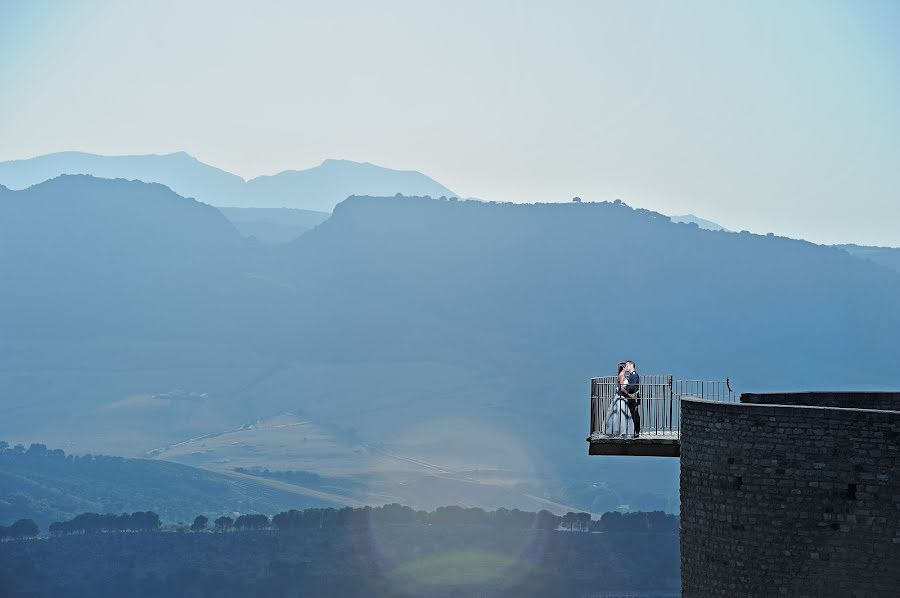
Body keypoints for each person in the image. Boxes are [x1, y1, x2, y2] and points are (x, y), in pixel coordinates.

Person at [605, 362, 634, 437]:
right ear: (623, 368)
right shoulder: (621, 376)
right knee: (621, 414)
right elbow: (621, 388)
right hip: (621, 397)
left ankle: (622, 431)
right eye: (626, 367)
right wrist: (628, 394)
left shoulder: (622, 375)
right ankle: (622, 431)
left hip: (621, 397)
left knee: (621, 414)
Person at [623, 360, 641, 437]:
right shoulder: (631, 375)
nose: (626, 367)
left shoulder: (634, 375)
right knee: (633, 413)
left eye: (627, 366)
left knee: (634, 414)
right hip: (632, 397)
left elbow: (633, 386)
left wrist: (626, 387)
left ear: (631, 365)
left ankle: (636, 431)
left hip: (633, 397)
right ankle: (634, 430)